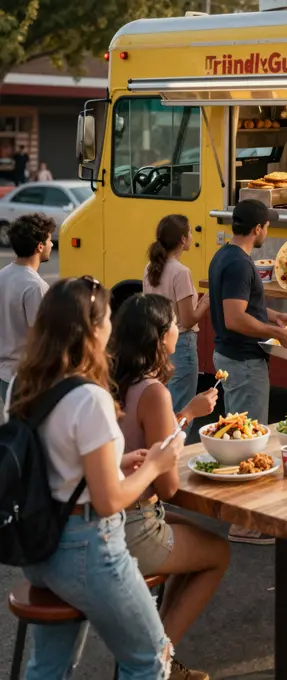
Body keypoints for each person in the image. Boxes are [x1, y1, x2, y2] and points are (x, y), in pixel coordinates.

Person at [5, 277, 184, 678]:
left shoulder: (24, 383)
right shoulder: (91, 397)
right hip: (88, 548)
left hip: (40, 546)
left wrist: (117, 461)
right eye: (107, 319)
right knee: (150, 658)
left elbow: (54, 460)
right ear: (93, 330)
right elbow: (109, 501)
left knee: (49, 667)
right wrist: (155, 464)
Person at [110, 293, 228, 680]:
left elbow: (146, 440)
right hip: (135, 524)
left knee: (194, 536)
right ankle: (155, 659)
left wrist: (187, 413)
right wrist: (186, 417)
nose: (182, 328)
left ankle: (159, 654)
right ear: (161, 336)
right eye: (176, 324)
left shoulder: (111, 380)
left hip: (107, 519)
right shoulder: (154, 391)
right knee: (218, 553)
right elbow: (170, 485)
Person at [208, 198, 287, 545]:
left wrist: (273, 316)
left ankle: (234, 513)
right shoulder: (239, 264)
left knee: (239, 438)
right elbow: (234, 318)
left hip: (232, 357)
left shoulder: (226, 255)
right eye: (267, 225)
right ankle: (244, 524)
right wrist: (280, 334)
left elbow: (246, 305)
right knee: (247, 442)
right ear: (258, 228)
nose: (269, 230)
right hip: (244, 361)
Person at [144, 215, 210, 416]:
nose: (192, 236)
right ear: (182, 239)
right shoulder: (181, 272)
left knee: (163, 407)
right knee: (182, 410)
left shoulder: (150, 268)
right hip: (181, 345)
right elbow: (188, 320)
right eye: (189, 232)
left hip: (157, 343)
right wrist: (206, 301)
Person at [0, 213, 55, 415]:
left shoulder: (4, 274)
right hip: (25, 376)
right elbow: (39, 337)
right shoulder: (35, 286)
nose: (51, 244)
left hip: (4, 372)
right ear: (39, 246)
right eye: (49, 240)